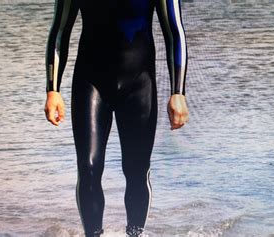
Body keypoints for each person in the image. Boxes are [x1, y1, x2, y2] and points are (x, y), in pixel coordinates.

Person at [42, 0, 189, 236]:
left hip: (139, 85)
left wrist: (178, 92)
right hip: (91, 83)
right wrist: (53, 89)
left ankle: (135, 234)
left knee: (137, 170)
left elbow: (174, 31)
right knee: (88, 168)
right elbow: (60, 30)